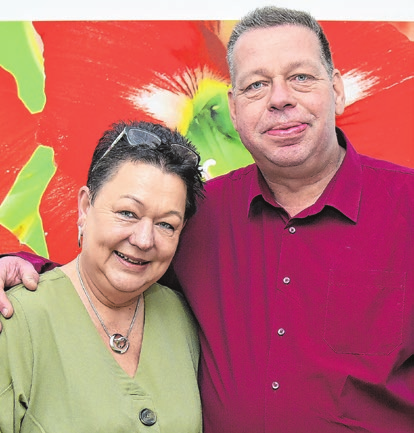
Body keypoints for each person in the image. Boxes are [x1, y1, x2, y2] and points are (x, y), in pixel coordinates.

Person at [1, 6, 414, 433]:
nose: (280, 99)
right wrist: (26, 268)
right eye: (256, 85)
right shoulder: (197, 214)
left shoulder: (407, 206)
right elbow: (120, 268)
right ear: (233, 110)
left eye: (301, 78)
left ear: (339, 90)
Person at [0, 120, 204, 432]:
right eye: (127, 213)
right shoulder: (17, 320)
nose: (144, 239)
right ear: (85, 207)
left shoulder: (184, 318)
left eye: (166, 224)